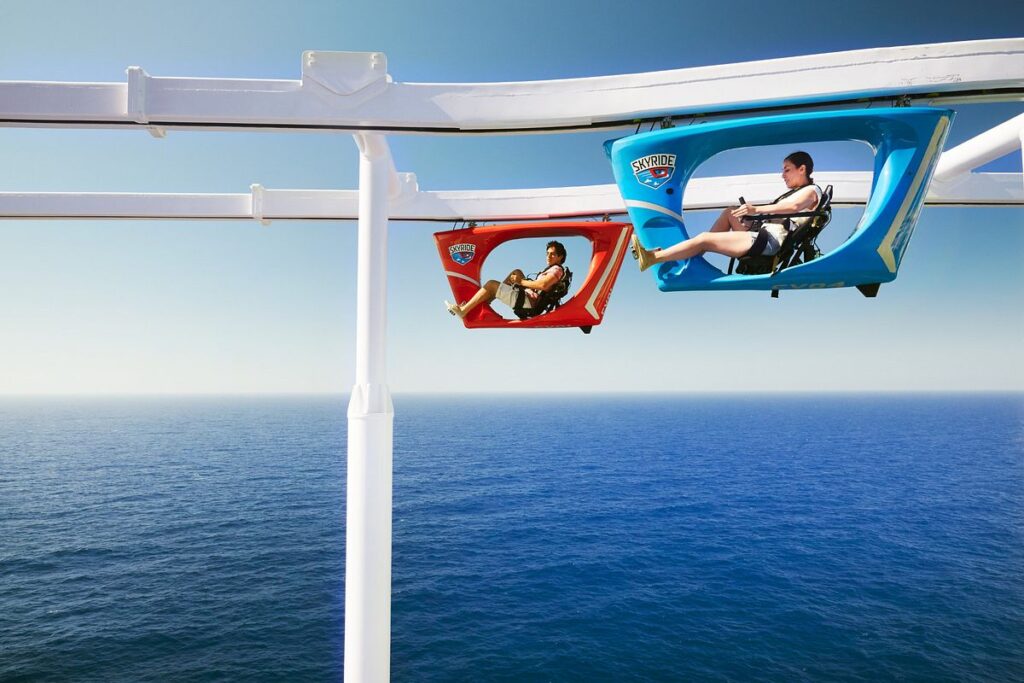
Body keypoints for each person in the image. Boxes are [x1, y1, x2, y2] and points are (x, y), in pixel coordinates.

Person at [631, 151, 823, 271]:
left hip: (768, 243)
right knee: (729, 212)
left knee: (705, 237)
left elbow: (793, 207)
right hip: (763, 234)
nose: (783, 175)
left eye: (787, 170)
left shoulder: (811, 191)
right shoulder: (797, 191)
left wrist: (755, 209)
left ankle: (652, 258)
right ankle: (695, 251)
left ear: (802, 169)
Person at [446, 240, 567, 319]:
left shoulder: (557, 270)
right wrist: (519, 279)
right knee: (517, 272)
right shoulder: (554, 269)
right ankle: (488, 300)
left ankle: (463, 310)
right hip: (530, 297)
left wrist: (520, 281)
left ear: (560, 257)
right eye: (547, 253)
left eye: (552, 254)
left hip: (529, 303)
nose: (548, 256)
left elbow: (544, 285)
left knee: (491, 284)